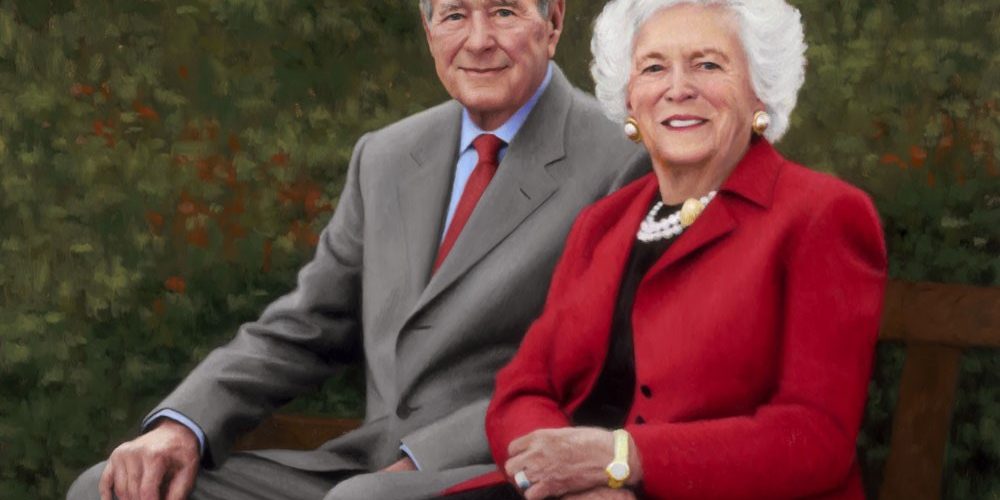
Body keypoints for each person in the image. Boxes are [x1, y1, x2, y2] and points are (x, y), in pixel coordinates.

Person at [67, 0, 648, 499]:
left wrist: (422, 460)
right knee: (112, 488)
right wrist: (183, 425)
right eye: (453, 14)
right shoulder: (386, 156)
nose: (477, 40)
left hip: (503, 465)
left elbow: (599, 373)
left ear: (553, 22)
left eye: (502, 11)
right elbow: (305, 326)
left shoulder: (622, 159)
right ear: (428, 30)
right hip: (364, 465)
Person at [441, 0, 888, 498]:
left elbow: (815, 437)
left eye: (708, 65)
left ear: (760, 90)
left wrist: (620, 460)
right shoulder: (602, 223)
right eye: (654, 68)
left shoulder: (823, 215)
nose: (678, 89)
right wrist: (574, 483)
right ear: (630, 98)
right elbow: (521, 391)